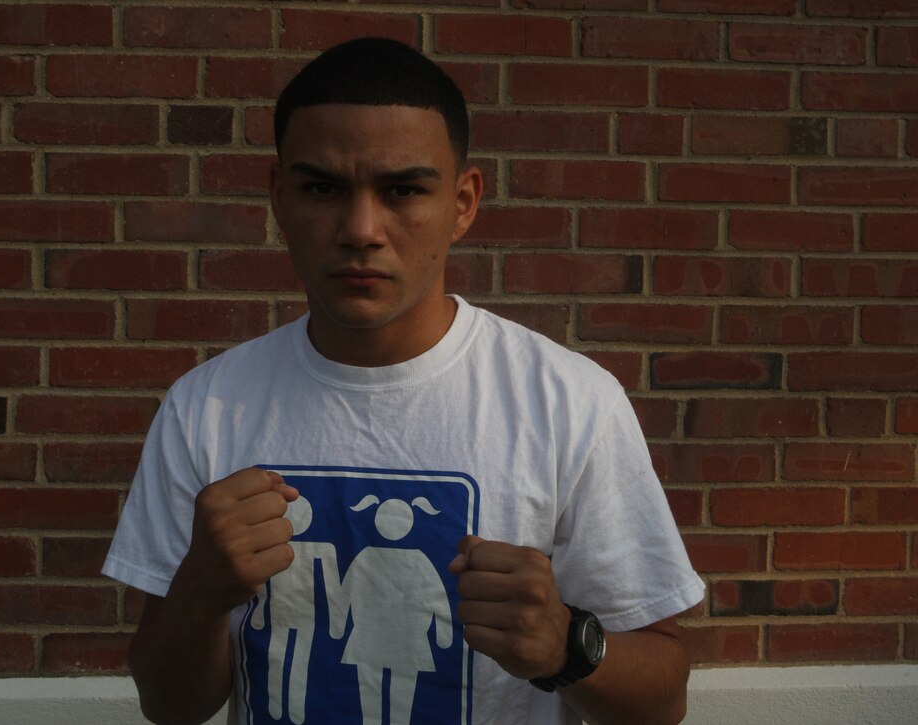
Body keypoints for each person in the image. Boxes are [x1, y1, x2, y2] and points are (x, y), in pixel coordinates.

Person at [103, 37, 704, 725]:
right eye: (322, 187)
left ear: (463, 201)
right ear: (278, 196)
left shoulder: (569, 403)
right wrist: (201, 594)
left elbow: (663, 700)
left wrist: (566, 644)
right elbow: (170, 705)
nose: (361, 229)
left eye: (403, 189)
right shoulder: (204, 408)